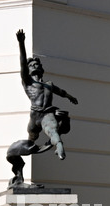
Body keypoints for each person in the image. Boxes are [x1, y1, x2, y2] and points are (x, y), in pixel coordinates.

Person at [6, 30, 78, 188]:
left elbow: (60, 92)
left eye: (37, 64)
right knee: (30, 141)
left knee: (53, 130)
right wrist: (21, 43)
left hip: (46, 114)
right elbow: (22, 62)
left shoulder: (49, 84)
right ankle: (18, 170)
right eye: (32, 65)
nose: (35, 66)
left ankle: (58, 146)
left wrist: (70, 97)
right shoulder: (28, 82)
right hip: (34, 116)